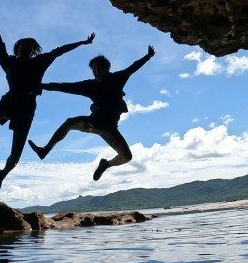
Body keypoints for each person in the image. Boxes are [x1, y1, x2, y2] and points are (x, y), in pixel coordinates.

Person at [0, 7, 94, 194]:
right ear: (17, 48)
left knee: (15, 155)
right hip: (8, 102)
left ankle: (2, 174)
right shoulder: (8, 62)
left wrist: (83, 43)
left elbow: (60, 51)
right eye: (22, 47)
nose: (25, 50)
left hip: (27, 108)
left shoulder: (40, 62)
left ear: (32, 51)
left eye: (29, 48)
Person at [28, 46, 155, 181]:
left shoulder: (118, 78)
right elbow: (65, 86)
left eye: (99, 67)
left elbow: (133, 67)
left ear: (107, 68)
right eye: (93, 68)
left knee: (126, 157)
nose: (96, 70)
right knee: (70, 122)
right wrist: (43, 86)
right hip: (94, 122)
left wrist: (147, 56)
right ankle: (45, 150)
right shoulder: (89, 85)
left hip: (110, 128)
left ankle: (105, 164)